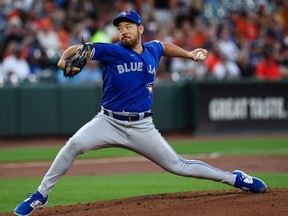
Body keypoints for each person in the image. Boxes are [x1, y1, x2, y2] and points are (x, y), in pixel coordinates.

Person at [14, 10, 267, 216]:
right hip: (108, 121)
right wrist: (62, 60)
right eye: (120, 27)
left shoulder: (152, 50)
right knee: (73, 145)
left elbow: (163, 46)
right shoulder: (113, 51)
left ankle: (235, 179)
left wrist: (189, 54)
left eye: (128, 26)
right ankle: (40, 195)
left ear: (140, 29)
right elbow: (80, 50)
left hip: (141, 126)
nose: (123, 30)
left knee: (179, 166)